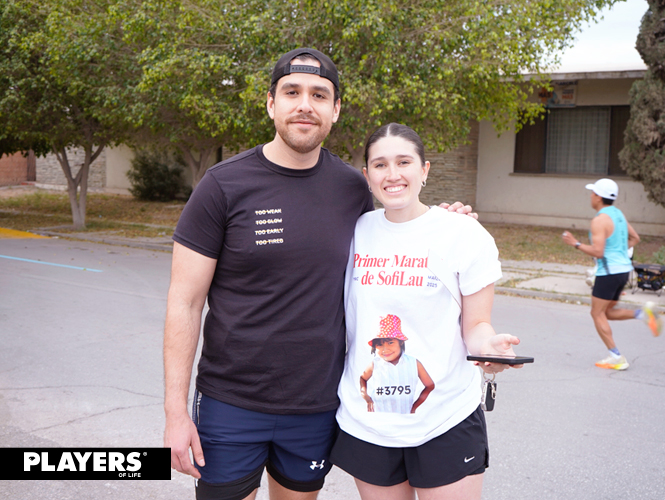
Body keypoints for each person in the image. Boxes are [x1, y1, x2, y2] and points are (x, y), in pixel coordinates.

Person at [163, 48, 475, 500]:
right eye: (292, 92)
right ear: (271, 103)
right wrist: (176, 411)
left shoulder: (353, 188)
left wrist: (448, 219)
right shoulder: (222, 185)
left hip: (316, 405)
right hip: (230, 402)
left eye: (319, 94)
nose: (305, 104)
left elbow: (403, 234)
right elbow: (184, 302)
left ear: (335, 110)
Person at [330, 123, 523, 500]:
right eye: (380, 165)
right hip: (368, 424)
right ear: (367, 176)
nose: (393, 174)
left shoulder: (462, 234)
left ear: (425, 170)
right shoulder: (353, 232)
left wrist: (490, 350)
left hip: (445, 419)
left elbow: (477, 325)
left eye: (404, 162)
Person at [562, 178, 662, 371]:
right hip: (623, 271)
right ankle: (643, 314)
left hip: (608, 273)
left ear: (598, 197)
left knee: (596, 313)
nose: (590, 196)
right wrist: (618, 253)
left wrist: (575, 243)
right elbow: (635, 238)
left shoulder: (599, 220)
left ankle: (616, 356)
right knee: (607, 312)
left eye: (592, 193)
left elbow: (598, 252)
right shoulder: (618, 214)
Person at [360, 314, 435, 414]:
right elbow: (363, 378)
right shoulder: (375, 364)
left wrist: (414, 407)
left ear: (400, 342)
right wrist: (366, 396)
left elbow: (430, 385)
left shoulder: (414, 363)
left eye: (390, 343)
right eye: (380, 344)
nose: (385, 349)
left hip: (405, 419)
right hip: (379, 419)